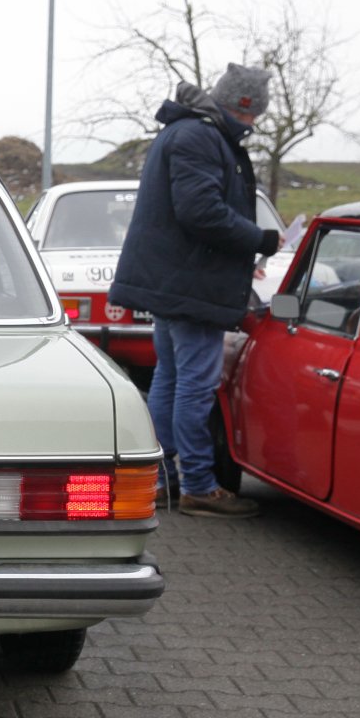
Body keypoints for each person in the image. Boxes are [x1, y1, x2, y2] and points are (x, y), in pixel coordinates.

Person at [109, 62, 282, 518]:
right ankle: (199, 485)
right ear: (242, 106)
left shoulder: (188, 131)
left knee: (170, 378)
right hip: (191, 285)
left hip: (177, 281)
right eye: (252, 113)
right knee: (196, 385)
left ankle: (160, 477)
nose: (253, 122)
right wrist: (259, 239)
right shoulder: (200, 137)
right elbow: (200, 211)